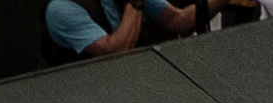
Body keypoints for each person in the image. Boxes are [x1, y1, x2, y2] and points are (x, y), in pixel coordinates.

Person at [43, 0, 195, 62]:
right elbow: (115, 53)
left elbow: (176, 20)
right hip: (84, 96)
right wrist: (135, 4)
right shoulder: (61, 9)